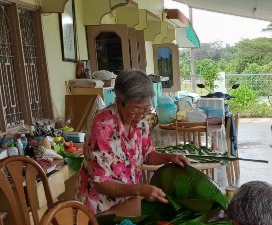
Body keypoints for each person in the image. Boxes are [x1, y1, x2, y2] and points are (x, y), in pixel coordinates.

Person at [76, 70, 189, 216]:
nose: (141, 115)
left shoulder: (141, 123)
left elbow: (147, 155)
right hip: (99, 207)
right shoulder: (102, 126)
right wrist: (140, 189)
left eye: (146, 109)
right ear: (119, 102)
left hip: (126, 200)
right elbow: (101, 184)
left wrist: (170, 158)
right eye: (135, 109)